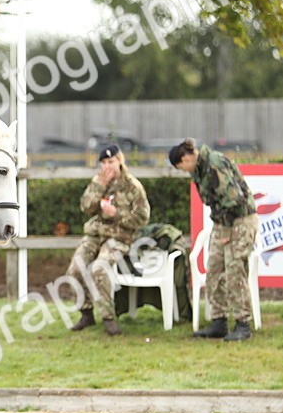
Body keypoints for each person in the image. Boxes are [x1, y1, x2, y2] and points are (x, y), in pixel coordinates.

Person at [169, 138, 258, 341]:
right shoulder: (200, 170)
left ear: (185, 158)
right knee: (214, 270)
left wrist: (226, 231)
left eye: (181, 166)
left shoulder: (214, 164)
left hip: (240, 220)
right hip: (222, 221)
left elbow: (233, 200)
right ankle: (219, 321)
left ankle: (243, 324)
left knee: (235, 270)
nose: (183, 171)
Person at [68, 144, 150, 336]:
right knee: (75, 268)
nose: (107, 166)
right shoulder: (98, 181)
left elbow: (142, 218)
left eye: (111, 161)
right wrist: (100, 186)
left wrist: (117, 214)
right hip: (95, 235)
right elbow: (86, 207)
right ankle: (86, 314)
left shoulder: (132, 186)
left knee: (99, 269)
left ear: (120, 160)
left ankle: (108, 318)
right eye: (104, 163)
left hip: (119, 238)